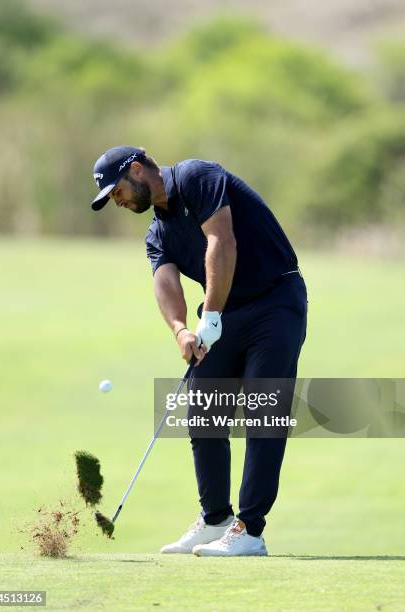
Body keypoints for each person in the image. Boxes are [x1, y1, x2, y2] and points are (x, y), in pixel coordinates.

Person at [91, 145, 308, 557]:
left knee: (264, 412)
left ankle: (249, 531)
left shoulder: (195, 177)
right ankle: (215, 520)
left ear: (136, 170)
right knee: (204, 412)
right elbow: (165, 281)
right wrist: (180, 330)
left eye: (115, 191)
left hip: (275, 302)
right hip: (224, 311)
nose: (116, 201)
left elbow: (220, 241)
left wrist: (210, 315)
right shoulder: (157, 233)